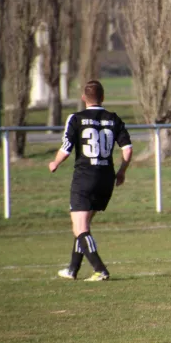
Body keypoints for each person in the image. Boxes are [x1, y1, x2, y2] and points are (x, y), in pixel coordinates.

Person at [49, 80, 133, 281]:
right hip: (106, 179)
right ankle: (72, 269)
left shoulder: (76, 118)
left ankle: (100, 269)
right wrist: (121, 172)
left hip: (85, 178)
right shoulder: (114, 119)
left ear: (83, 98)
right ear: (103, 97)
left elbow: (67, 148)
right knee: (83, 225)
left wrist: (55, 162)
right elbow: (127, 149)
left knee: (80, 227)